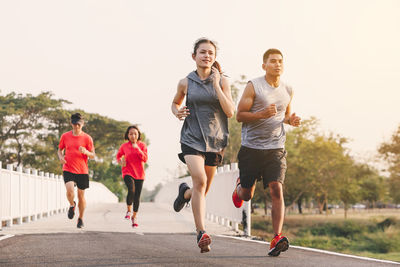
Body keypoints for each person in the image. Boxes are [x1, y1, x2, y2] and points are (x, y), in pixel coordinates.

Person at [232, 49, 301, 256]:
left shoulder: (288, 89)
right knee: (246, 194)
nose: (277, 64)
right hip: (251, 148)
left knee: (276, 189)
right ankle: (238, 189)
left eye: (280, 61)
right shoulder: (254, 86)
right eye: (273, 61)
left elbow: (285, 116)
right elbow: (239, 116)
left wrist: (292, 121)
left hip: (276, 148)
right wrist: (261, 114)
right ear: (264, 65)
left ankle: (276, 237)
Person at [171, 38, 234, 253]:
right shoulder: (185, 82)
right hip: (191, 137)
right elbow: (175, 102)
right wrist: (177, 111)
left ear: (214, 58)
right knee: (200, 180)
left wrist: (216, 84)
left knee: (202, 190)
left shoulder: (223, 82)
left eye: (210, 53)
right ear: (194, 56)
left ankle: (185, 194)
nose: (206, 55)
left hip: (215, 140)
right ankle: (201, 232)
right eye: (202, 52)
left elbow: (230, 112)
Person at [58, 113, 95, 229]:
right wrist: (61, 157)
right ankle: (72, 204)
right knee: (70, 192)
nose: (76, 126)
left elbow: (93, 155)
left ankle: (81, 218)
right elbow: (59, 150)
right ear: (71, 123)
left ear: (82, 124)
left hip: (82, 170)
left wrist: (86, 152)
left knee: (81, 196)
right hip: (68, 168)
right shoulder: (65, 136)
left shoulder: (87, 138)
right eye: (74, 124)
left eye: (78, 124)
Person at [116, 125, 148, 228]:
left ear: (138, 135)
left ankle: (134, 217)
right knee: (131, 189)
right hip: (127, 172)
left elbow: (145, 159)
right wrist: (120, 161)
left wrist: (138, 149)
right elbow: (118, 156)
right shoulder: (124, 146)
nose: (133, 136)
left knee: (137, 196)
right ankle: (129, 211)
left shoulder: (142, 146)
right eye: (131, 134)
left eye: (135, 134)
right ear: (127, 135)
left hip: (139, 174)